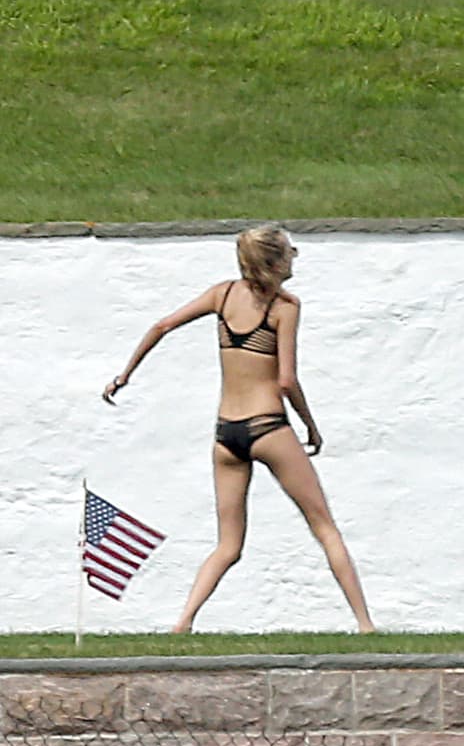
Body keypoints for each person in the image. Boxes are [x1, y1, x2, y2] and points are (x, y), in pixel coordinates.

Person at [102, 225, 375, 634]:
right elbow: (285, 381)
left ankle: (184, 621)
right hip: (268, 428)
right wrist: (311, 426)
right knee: (325, 528)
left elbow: (162, 325)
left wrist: (124, 375)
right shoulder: (284, 307)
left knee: (228, 545)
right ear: (276, 262)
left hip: (226, 434)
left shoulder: (223, 294)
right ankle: (366, 624)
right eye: (288, 254)